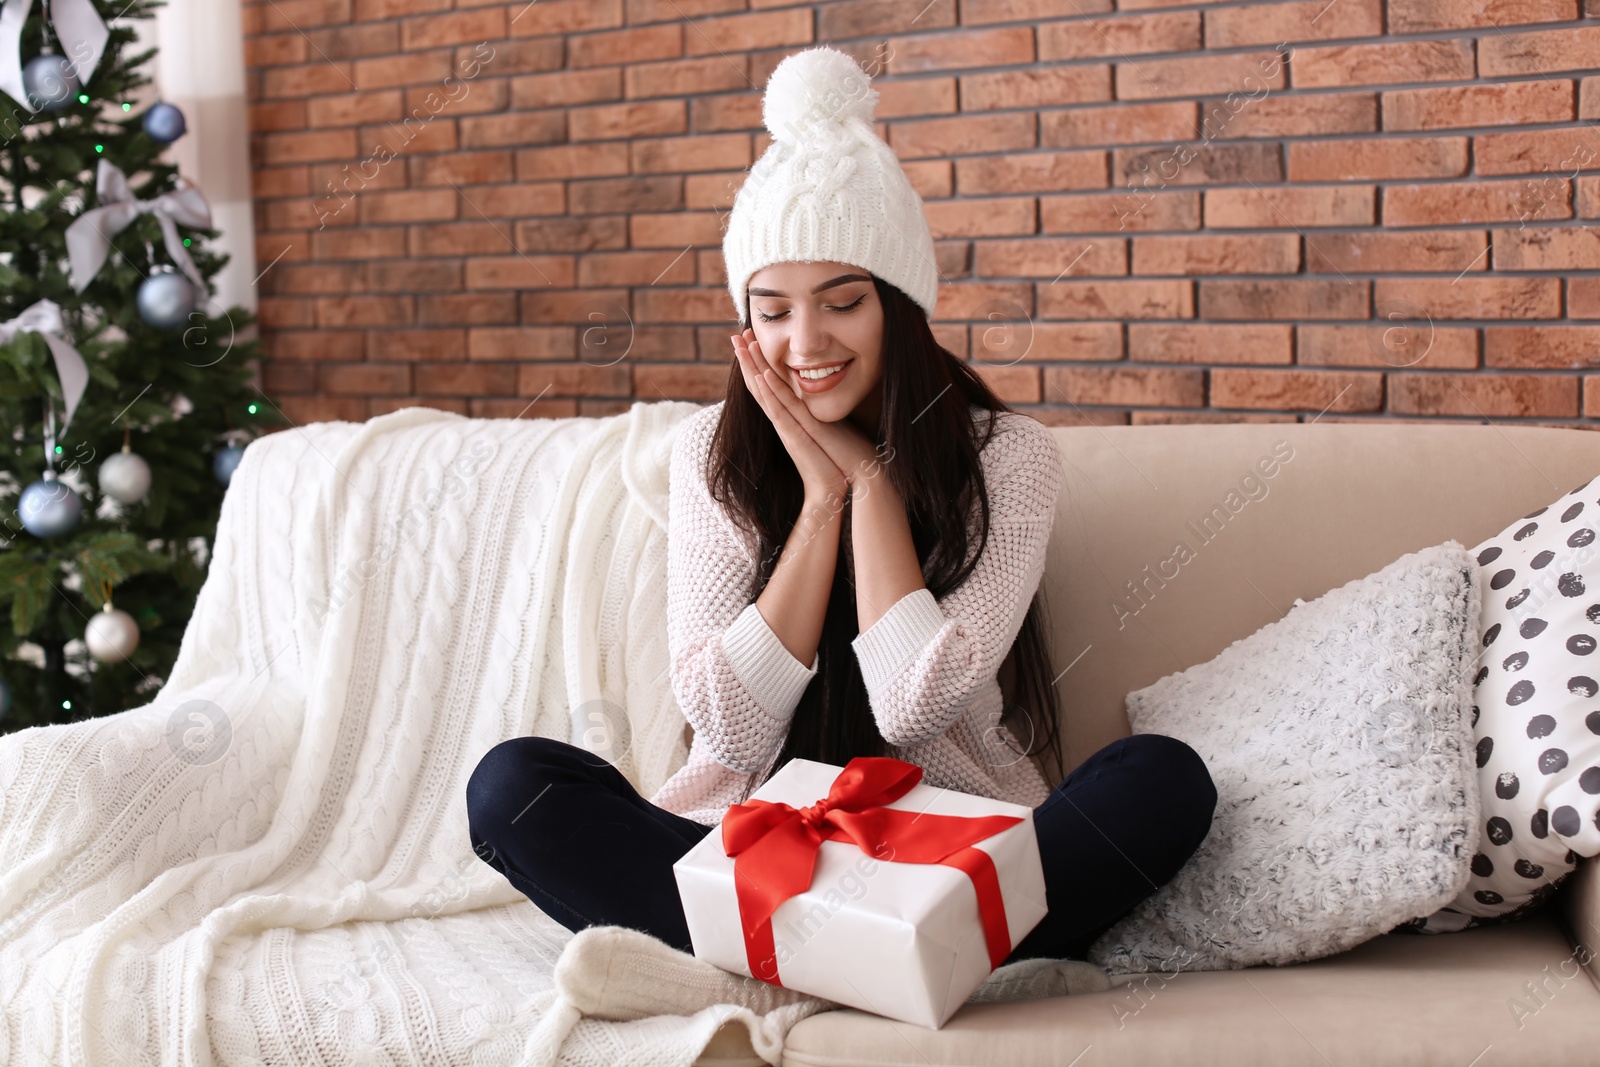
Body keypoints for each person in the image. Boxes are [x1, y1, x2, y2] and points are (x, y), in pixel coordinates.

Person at [467, 45, 1216, 970]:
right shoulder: (710, 450)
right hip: (745, 847)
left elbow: (915, 704)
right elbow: (732, 726)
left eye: (842, 302)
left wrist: (872, 484)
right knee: (514, 786)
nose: (804, 342)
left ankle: (814, 954)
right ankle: (899, 963)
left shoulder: (1009, 457)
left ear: (899, 306)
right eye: (771, 311)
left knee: (1162, 779)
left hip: (945, 855)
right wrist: (821, 500)